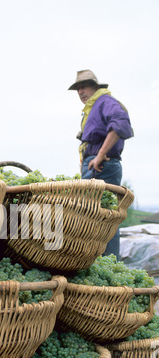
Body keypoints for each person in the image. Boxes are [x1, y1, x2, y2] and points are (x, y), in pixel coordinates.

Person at [68, 69, 134, 259]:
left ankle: (106, 264)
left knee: (103, 217)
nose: (80, 92)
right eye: (78, 89)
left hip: (101, 166)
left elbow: (120, 124)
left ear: (95, 87)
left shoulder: (105, 102)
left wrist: (100, 155)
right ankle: (100, 262)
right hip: (95, 166)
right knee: (95, 217)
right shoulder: (93, 107)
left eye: (84, 87)